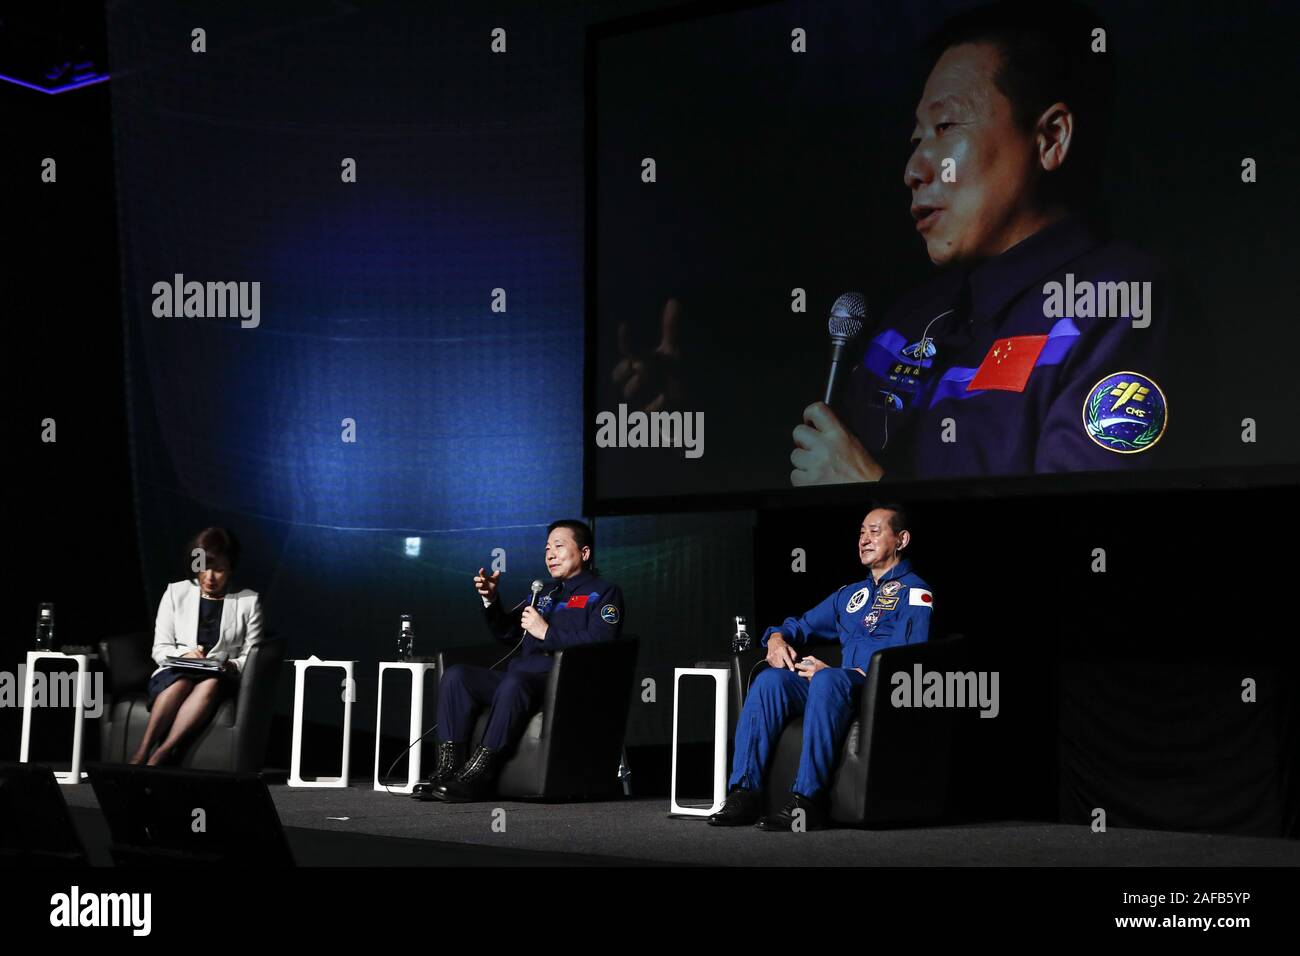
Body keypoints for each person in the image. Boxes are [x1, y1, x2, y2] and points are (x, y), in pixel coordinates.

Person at [790, 0, 1196, 485]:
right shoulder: (906, 322)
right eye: (916, 139)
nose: (914, 171)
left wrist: (871, 496)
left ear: (1050, 138)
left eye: (945, 128)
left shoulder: (1121, 303)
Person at [708, 506, 931, 830]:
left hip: (874, 691)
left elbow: (907, 660)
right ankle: (745, 792)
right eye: (861, 533)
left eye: (874, 531)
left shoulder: (915, 592)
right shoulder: (850, 595)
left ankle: (806, 802)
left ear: (901, 539)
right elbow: (800, 624)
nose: (864, 540)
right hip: (837, 685)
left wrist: (841, 673)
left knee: (826, 680)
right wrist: (776, 639)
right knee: (771, 681)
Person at [413, 519, 625, 803]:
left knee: (515, 681)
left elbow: (603, 643)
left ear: (584, 553)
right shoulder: (544, 593)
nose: (550, 554)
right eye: (547, 548)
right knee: (457, 676)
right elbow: (507, 631)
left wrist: (547, 632)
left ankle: (478, 775)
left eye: (559, 547)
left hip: (561, 684)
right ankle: (448, 770)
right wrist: (491, 600)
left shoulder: (604, 593)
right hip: (521, 678)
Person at [130, 527, 263, 765]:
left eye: (219, 569)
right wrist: (185, 654)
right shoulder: (176, 593)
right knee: (180, 682)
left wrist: (231, 665)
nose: (210, 577)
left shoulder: (248, 601)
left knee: (209, 683)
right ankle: (142, 750)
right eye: (203, 567)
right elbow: (160, 649)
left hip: (219, 676)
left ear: (231, 568)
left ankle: (162, 753)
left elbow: (252, 655)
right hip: (176, 671)